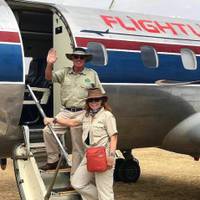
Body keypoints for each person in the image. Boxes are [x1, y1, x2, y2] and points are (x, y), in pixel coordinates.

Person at [44, 88, 118, 200]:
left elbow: (114, 136)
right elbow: (72, 122)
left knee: (105, 190)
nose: (94, 102)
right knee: (77, 183)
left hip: (104, 154)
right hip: (89, 155)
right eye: (91, 100)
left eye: (97, 100)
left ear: (102, 101)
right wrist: (54, 120)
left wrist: (111, 156)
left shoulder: (107, 115)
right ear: (88, 103)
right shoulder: (86, 115)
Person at [41, 47, 105, 174]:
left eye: (81, 57)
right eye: (76, 57)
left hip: (82, 112)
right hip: (65, 111)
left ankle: (75, 177)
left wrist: (97, 113)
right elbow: (48, 77)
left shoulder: (92, 74)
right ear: (72, 59)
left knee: (77, 148)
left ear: (85, 59)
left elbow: (100, 94)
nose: (79, 59)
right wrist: (49, 63)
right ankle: (53, 160)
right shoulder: (65, 72)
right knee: (48, 131)